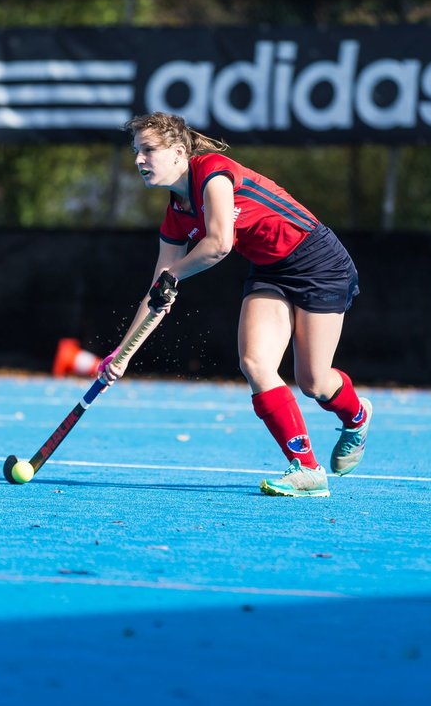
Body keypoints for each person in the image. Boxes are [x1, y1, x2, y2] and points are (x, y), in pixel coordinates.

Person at [98, 111, 371, 498]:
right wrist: (122, 354)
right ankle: (307, 469)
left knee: (313, 381)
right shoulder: (175, 216)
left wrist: (174, 275)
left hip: (318, 261)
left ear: (178, 152)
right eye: (135, 151)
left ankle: (356, 416)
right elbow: (157, 290)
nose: (139, 159)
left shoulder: (212, 171)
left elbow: (220, 243)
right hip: (271, 269)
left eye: (148, 150)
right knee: (255, 363)